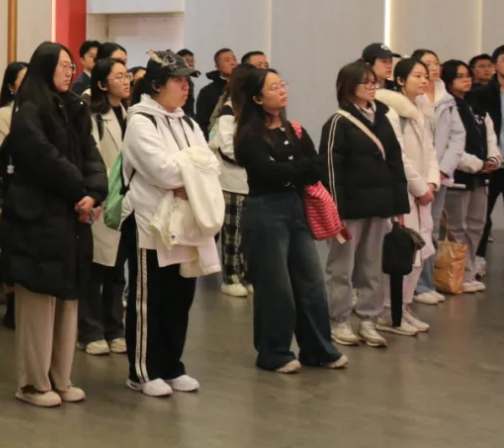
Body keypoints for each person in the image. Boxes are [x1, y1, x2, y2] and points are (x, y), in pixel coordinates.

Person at [0, 42, 106, 408]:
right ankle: (32, 383)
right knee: (38, 303)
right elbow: (42, 157)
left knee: (67, 301)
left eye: (70, 66)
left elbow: (92, 156)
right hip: (37, 218)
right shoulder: (28, 109)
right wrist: (80, 189)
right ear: (45, 68)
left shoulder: (75, 107)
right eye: (62, 65)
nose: (68, 72)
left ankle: (61, 378)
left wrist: (95, 192)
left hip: (71, 217)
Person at [234, 67, 347, 373]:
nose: (282, 90)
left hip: (295, 207)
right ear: (257, 98)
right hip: (265, 211)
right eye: (274, 87)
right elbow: (267, 173)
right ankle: (274, 352)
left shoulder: (294, 130)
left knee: (311, 282)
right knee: (276, 286)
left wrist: (288, 169)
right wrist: (295, 169)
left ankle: (318, 349)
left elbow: (316, 168)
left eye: (282, 84)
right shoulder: (249, 135)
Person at [122, 51, 219, 398]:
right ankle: (142, 370)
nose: (185, 86)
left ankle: (171, 365)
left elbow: (210, 165)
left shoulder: (188, 123)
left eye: (187, 80)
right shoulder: (140, 121)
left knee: (180, 297)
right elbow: (162, 171)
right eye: (178, 80)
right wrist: (193, 172)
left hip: (186, 221)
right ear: (157, 85)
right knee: (150, 299)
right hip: (151, 221)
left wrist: (190, 173)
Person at [320, 62, 408, 349]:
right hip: (350, 209)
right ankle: (339, 320)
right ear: (349, 86)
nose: (373, 87)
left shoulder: (382, 119)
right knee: (341, 268)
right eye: (366, 83)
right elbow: (330, 170)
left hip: (379, 206)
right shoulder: (338, 122)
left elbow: (395, 163)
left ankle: (369, 319)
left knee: (372, 266)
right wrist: (336, 212)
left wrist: (398, 205)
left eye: (374, 82)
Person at [374, 58, 438, 335]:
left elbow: (431, 151)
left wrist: (432, 182)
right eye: (417, 76)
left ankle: (405, 306)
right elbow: (399, 158)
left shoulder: (422, 109)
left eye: (425, 76)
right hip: (404, 193)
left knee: (420, 251)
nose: (424, 81)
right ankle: (389, 312)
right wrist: (421, 188)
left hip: (423, 193)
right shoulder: (392, 113)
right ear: (400, 80)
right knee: (401, 253)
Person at [78, 58, 131, 356]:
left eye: (127, 76)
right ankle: (90, 331)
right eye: (118, 77)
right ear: (101, 84)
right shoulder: (92, 115)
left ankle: (115, 328)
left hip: (124, 202)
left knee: (117, 271)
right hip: (100, 199)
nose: (126, 81)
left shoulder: (129, 113)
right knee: (94, 269)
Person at [410, 49, 465, 305]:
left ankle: (425, 283)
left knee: (430, 229)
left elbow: (457, 137)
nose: (433, 68)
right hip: (414, 175)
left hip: (439, 176)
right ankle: (411, 286)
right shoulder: (412, 97)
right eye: (426, 64)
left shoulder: (448, 99)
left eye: (436, 63)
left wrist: (442, 169)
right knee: (412, 231)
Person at [441, 60, 500, 291]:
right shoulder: (446, 106)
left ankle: (469, 271)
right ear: (448, 80)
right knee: (457, 227)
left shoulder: (476, 104)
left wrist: (493, 159)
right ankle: (458, 274)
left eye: (467, 75)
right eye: (459, 76)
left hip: (481, 176)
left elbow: (490, 135)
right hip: (459, 176)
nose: (466, 79)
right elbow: (448, 144)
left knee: (477, 224)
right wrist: (475, 164)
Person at [208, 63, 257, 298]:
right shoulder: (229, 110)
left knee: (248, 235)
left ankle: (246, 274)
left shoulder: (252, 109)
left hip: (251, 181)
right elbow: (226, 146)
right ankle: (230, 277)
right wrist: (256, 158)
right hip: (232, 181)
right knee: (232, 234)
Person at [0, 61, 27, 327]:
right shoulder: (4, 114)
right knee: (11, 250)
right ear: (12, 86)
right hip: (13, 191)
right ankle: (12, 306)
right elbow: (1, 155)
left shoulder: (42, 112)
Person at [470, 45, 504, 269]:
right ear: (495, 65)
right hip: (492, 164)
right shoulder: (480, 94)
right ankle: (478, 259)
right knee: (481, 216)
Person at [195, 48, 237, 131]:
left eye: (234, 59)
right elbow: (202, 122)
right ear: (217, 66)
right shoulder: (207, 92)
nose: (233, 63)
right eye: (227, 60)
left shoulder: (243, 87)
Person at [177, 49, 196, 119]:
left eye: (192, 61)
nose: (190, 64)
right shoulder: (175, 82)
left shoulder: (190, 82)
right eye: (187, 61)